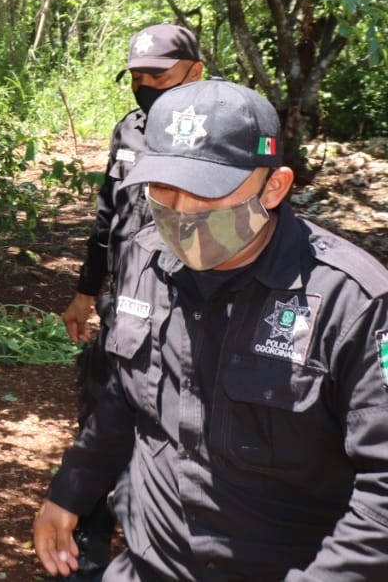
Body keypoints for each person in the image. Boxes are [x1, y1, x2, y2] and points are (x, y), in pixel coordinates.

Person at [33, 79, 388, 581]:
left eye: (207, 190)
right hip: (148, 562)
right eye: (163, 187)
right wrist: (70, 488)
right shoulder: (143, 255)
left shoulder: (353, 301)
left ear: (275, 186)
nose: (181, 211)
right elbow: (124, 391)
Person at [57, 23, 203, 578]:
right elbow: (106, 220)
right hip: (125, 312)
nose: (145, 85)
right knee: (100, 428)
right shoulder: (130, 131)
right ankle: (86, 561)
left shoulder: (221, 135)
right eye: (137, 76)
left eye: (158, 75)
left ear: (195, 71)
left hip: (194, 318)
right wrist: (85, 292)